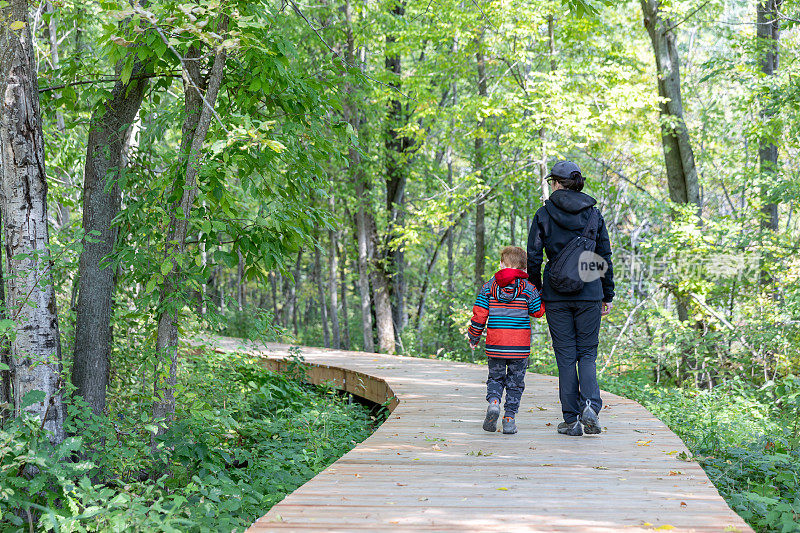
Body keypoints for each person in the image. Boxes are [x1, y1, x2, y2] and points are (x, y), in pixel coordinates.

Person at [527, 160, 614, 437]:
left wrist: (538, 288)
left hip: (556, 294)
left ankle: (572, 420)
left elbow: (533, 257)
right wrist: (606, 293)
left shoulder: (543, 213)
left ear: (555, 182)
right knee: (587, 353)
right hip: (589, 292)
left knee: (565, 357)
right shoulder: (594, 215)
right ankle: (590, 406)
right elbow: (603, 258)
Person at [467, 246, 544, 434]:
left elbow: (479, 315)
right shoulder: (528, 288)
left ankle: (494, 403)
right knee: (515, 383)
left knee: (495, 378)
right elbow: (538, 312)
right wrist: (542, 297)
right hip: (519, 347)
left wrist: (474, 336)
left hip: (496, 345)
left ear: (502, 264)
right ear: (524, 269)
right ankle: (509, 418)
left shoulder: (489, 286)